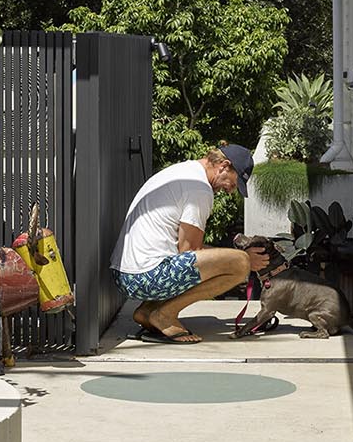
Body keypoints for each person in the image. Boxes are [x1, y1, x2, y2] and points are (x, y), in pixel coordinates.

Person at [110, 145, 268, 344]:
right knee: (240, 263)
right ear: (224, 166)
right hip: (145, 277)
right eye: (233, 183)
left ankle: (148, 311)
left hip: (125, 276)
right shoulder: (199, 188)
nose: (229, 190)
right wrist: (244, 258)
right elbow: (189, 251)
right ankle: (164, 314)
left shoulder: (183, 172)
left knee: (194, 262)